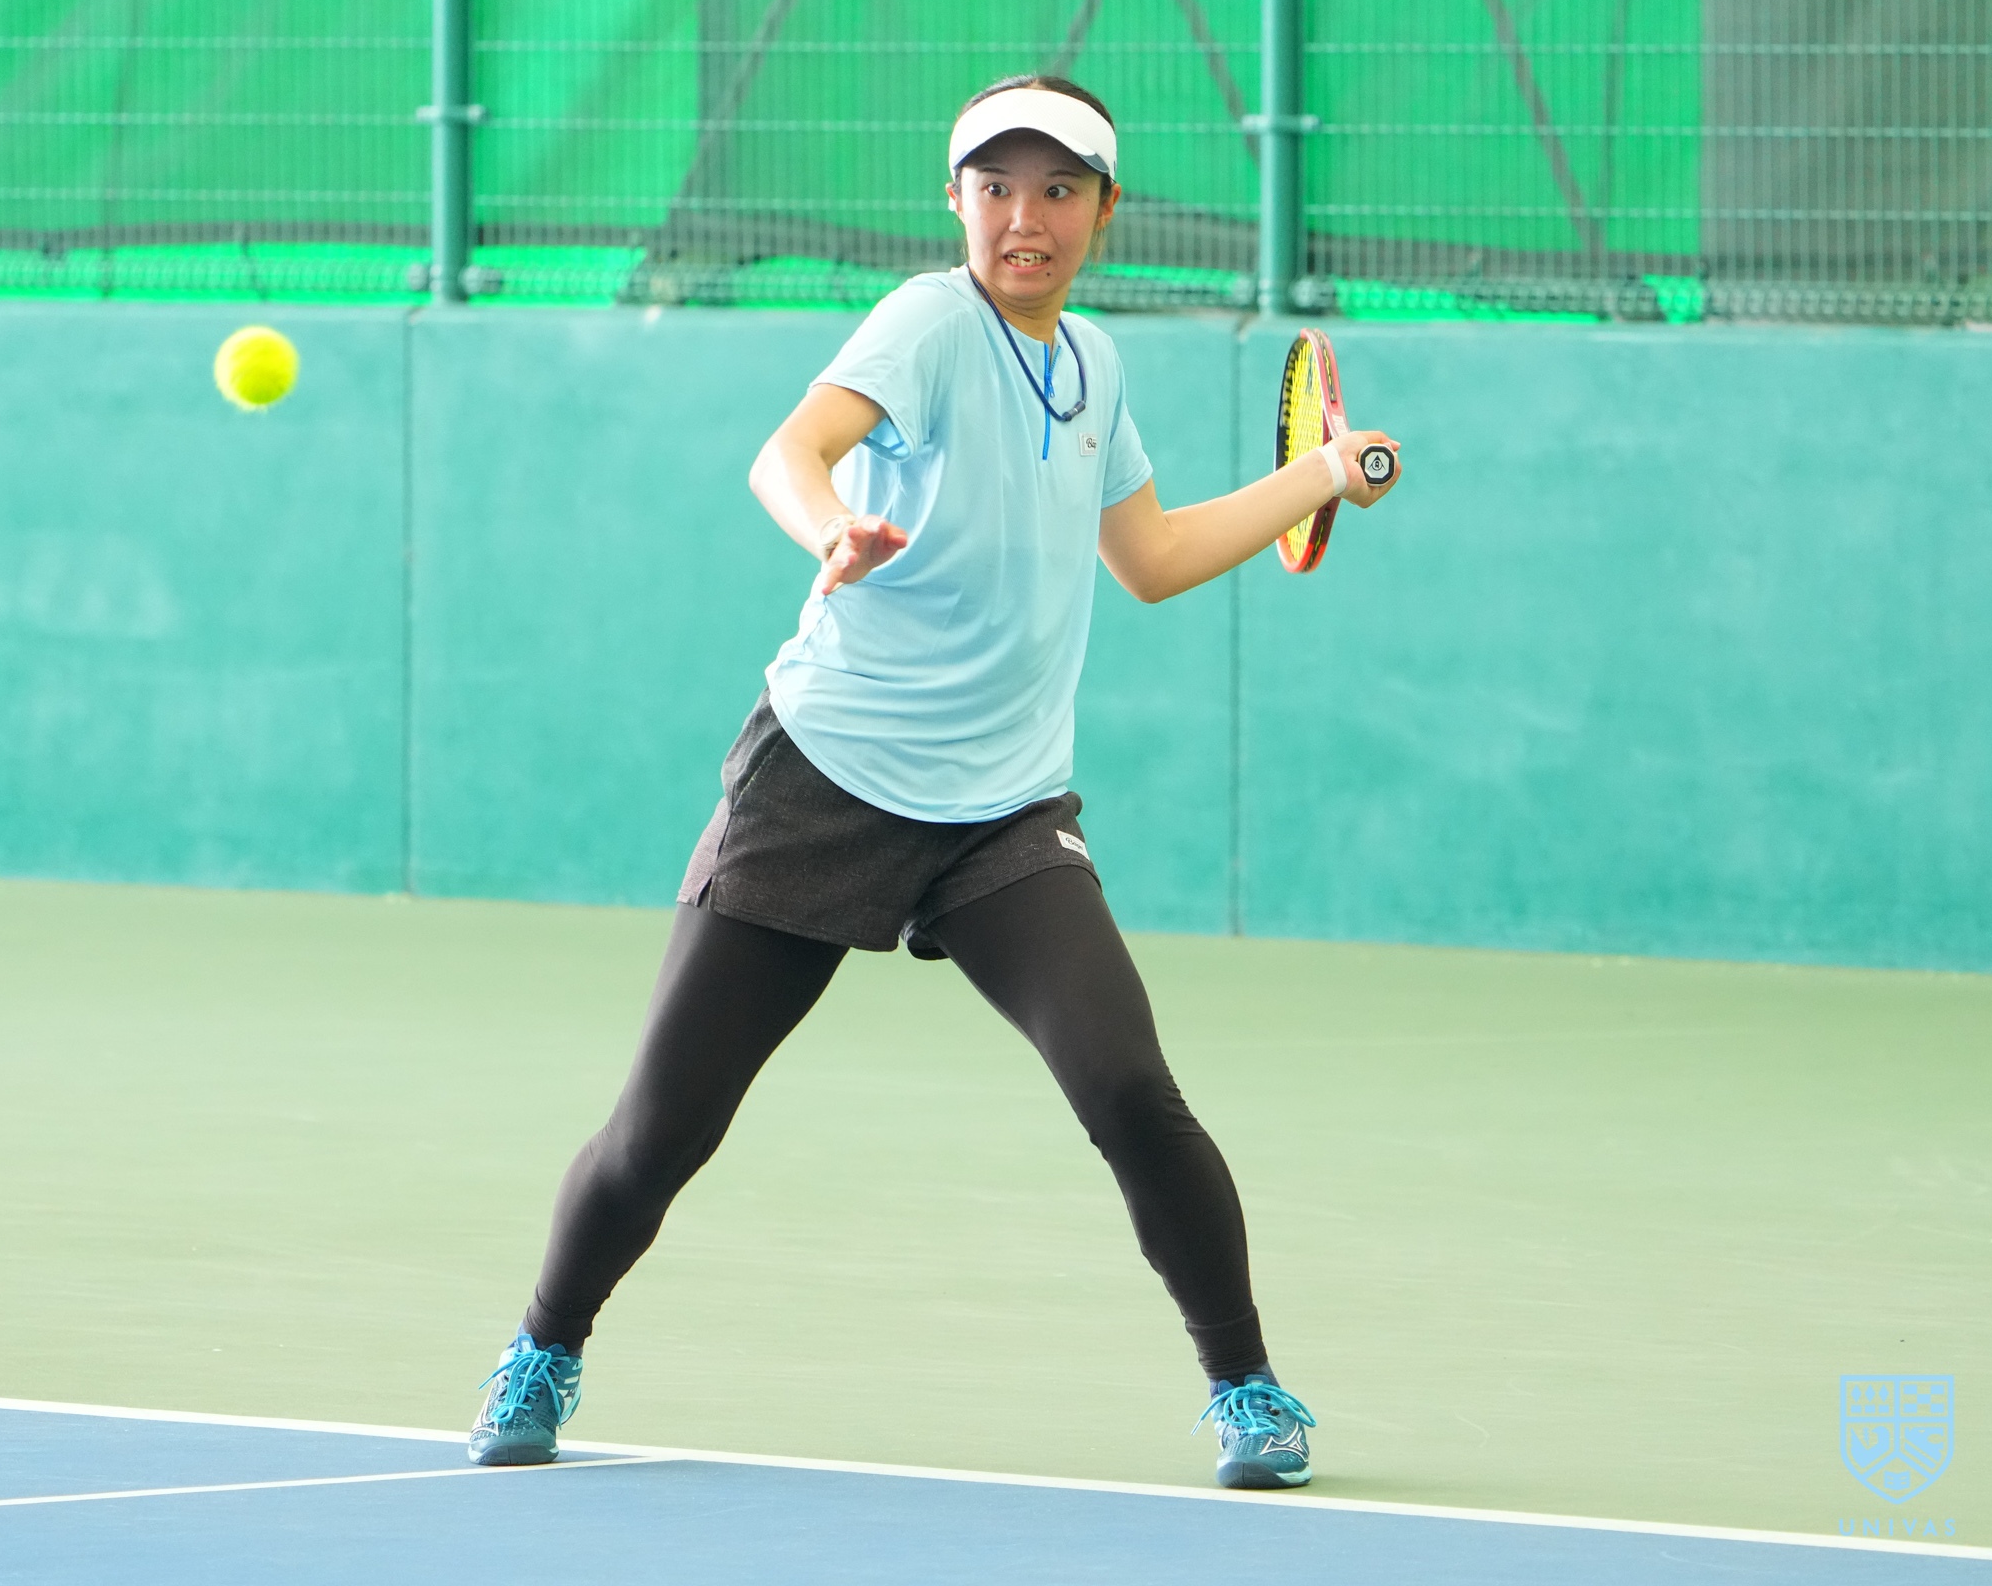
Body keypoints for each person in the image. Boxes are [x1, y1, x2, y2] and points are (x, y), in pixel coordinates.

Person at [467, 73, 1398, 1490]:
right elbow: (790, 453)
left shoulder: (1095, 364)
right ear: (955, 201)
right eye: (996, 188)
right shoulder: (926, 322)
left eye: (1058, 190)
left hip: (1004, 814)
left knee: (1130, 1090)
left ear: (1103, 210)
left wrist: (1322, 472)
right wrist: (830, 529)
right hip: (826, 780)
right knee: (666, 1127)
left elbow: (1149, 561)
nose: (1025, 218)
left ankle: (1250, 1391)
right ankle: (545, 1345)